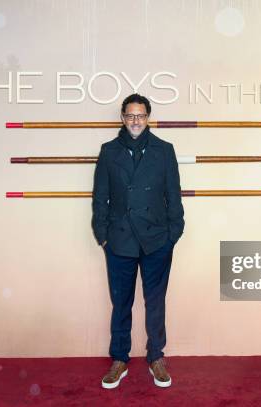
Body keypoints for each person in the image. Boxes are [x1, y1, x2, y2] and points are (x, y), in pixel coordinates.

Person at [91, 93, 184, 389]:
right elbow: (100, 197)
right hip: (120, 241)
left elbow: (174, 195)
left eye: (140, 116)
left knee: (155, 302)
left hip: (157, 240)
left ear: (148, 118)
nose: (135, 121)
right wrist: (102, 235)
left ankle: (156, 356)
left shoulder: (164, 150)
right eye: (130, 116)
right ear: (122, 117)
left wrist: (173, 234)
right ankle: (119, 359)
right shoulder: (108, 151)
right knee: (121, 303)